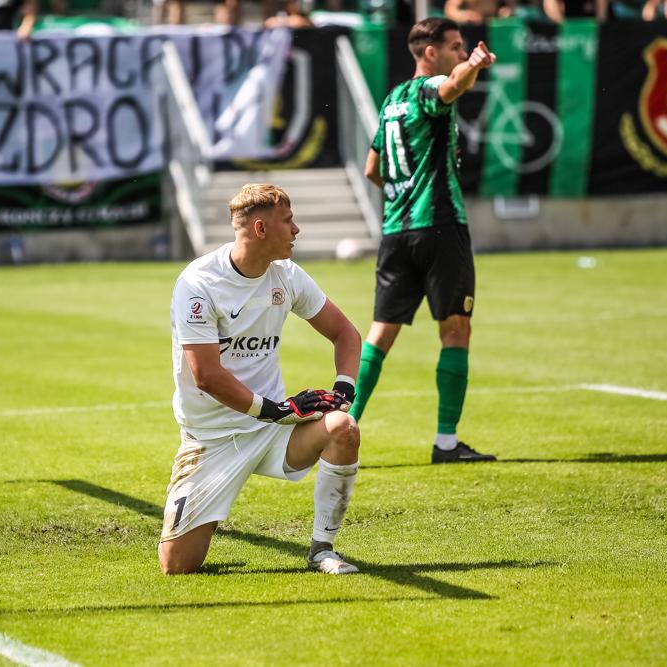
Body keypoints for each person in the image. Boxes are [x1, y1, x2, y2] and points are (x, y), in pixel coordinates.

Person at [160, 184, 363, 575]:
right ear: (260, 229)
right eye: (288, 221)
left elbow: (345, 334)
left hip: (272, 431)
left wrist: (343, 390)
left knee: (343, 427)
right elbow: (206, 376)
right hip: (212, 438)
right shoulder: (198, 283)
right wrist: (275, 409)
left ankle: (322, 550)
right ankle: (204, 512)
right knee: (177, 566)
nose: (296, 230)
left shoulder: (286, 275)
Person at [349, 18, 497, 464]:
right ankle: (446, 443)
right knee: (455, 328)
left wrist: (403, 194)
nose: (460, 53)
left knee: (380, 334)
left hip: (396, 232)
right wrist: (474, 65)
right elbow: (450, 87)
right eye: (455, 46)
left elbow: (372, 169)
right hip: (439, 228)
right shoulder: (428, 87)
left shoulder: (392, 100)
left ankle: (342, 429)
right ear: (430, 53)